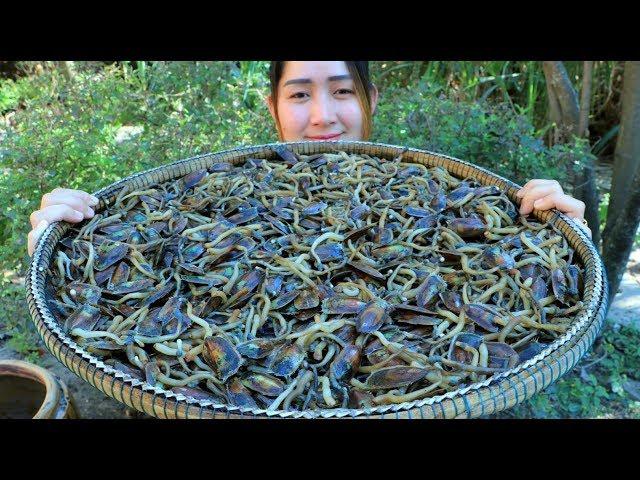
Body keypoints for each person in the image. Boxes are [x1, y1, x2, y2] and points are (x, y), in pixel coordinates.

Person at [27, 61, 591, 256]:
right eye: (300, 94)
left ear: (370, 99)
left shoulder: (445, 195)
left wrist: (556, 232)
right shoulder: (208, 196)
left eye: (342, 91)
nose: (322, 115)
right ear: (274, 107)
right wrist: (68, 237)